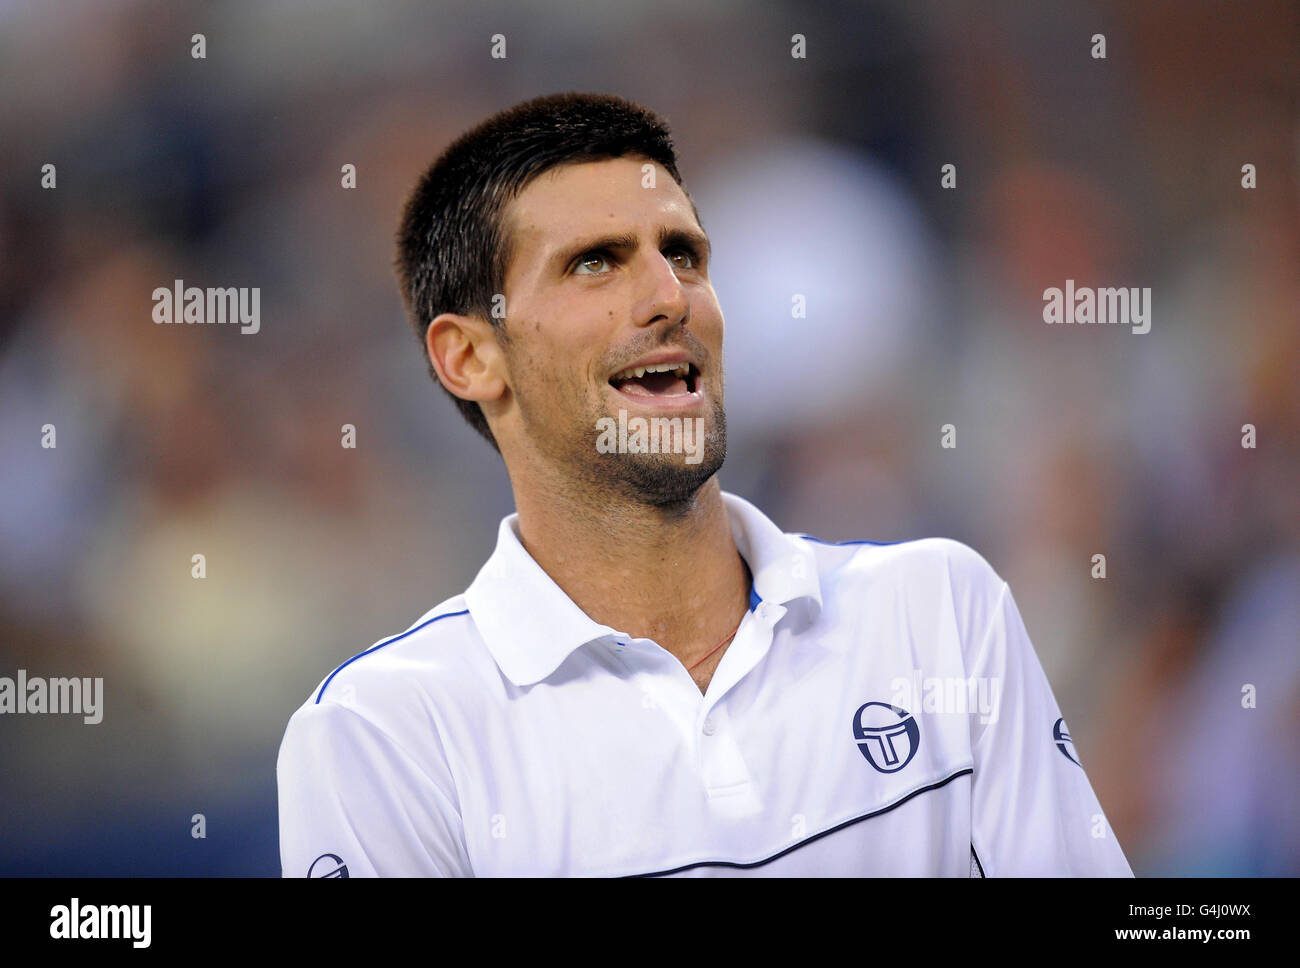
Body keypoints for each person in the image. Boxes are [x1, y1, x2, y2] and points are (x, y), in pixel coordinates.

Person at [276, 92, 1132, 877]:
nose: (668, 294)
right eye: (595, 263)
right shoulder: (381, 736)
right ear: (471, 357)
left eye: (682, 253)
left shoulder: (942, 610)